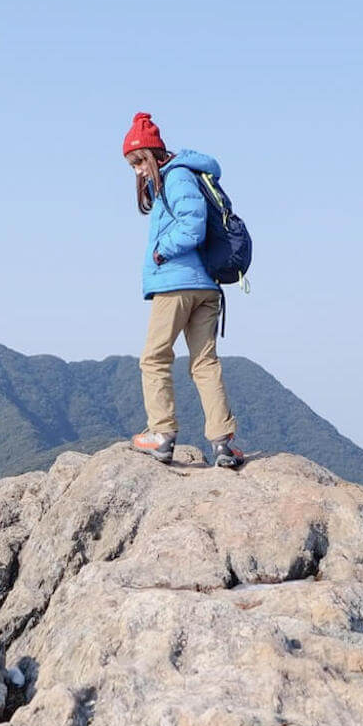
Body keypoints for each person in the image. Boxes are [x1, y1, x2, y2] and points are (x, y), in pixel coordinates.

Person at [121, 111, 245, 468]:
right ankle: (222, 445)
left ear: (153, 154)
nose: (137, 171)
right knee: (204, 363)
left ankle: (161, 435)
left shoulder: (176, 177)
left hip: (178, 285)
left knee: (154, 358)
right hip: (205, 287)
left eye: (139, 162)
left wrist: (162, 251)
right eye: (132, 165)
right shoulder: (183, 175)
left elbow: (193, 224)